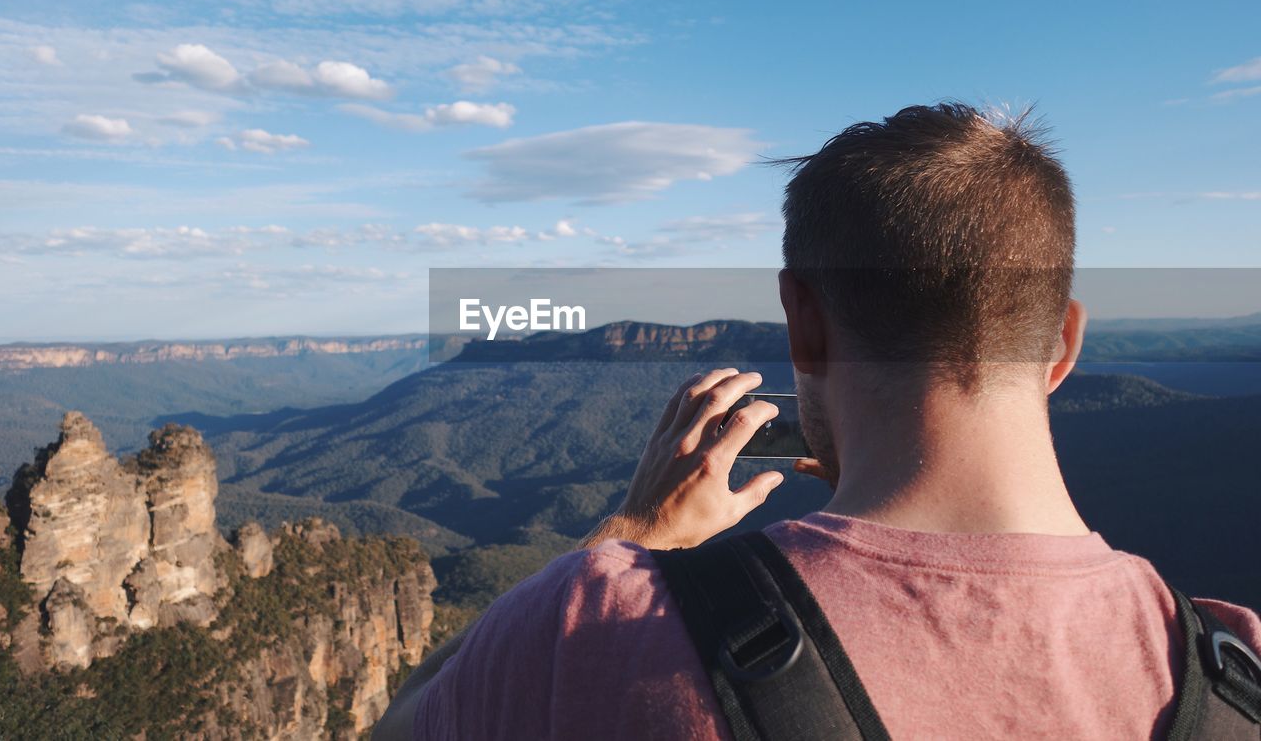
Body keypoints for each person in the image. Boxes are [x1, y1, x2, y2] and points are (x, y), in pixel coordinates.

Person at [373, 103, 1261, 740]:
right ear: (1064, 343)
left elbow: (400, 726)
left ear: (803, 323)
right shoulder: (1235, 670)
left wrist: (627, 537)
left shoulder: (596, 630)